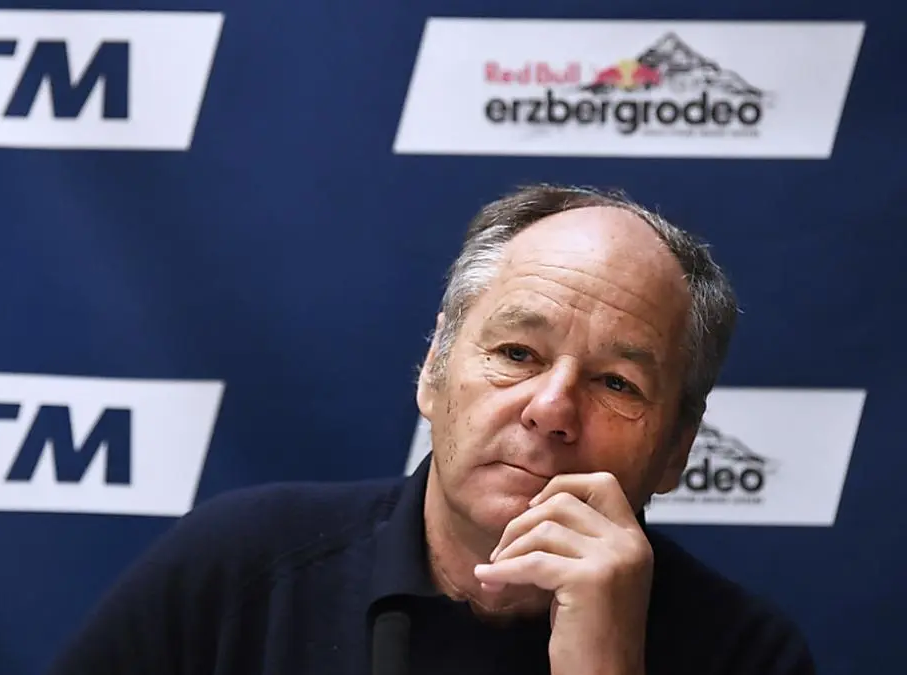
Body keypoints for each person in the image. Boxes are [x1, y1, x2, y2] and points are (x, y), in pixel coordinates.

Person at [46, 184, 815, 675]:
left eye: (617, 382)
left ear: (677, 447)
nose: (551, 408)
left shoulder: (747, 654)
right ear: (434, 369)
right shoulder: (237, 573)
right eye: (517, 353)